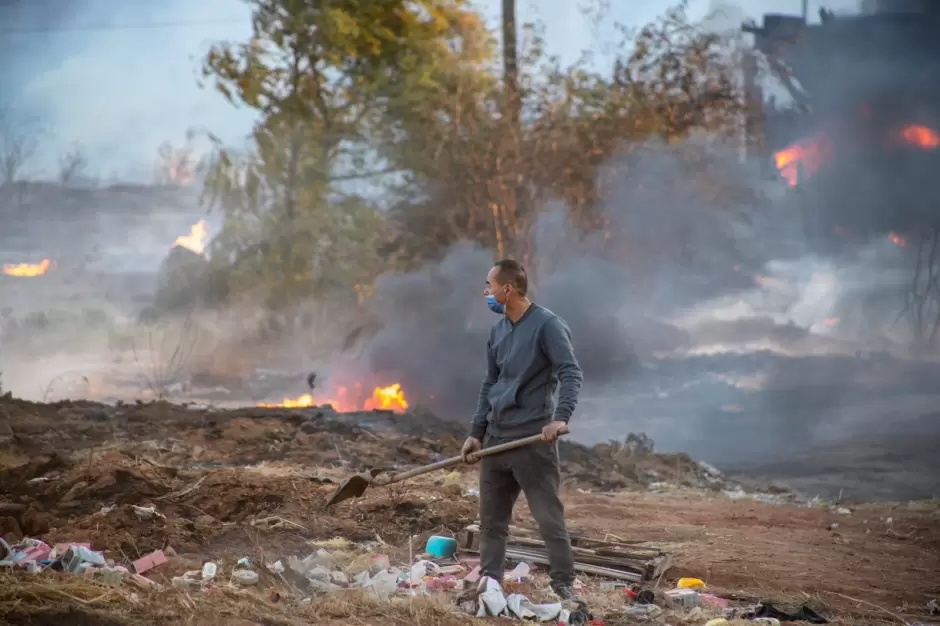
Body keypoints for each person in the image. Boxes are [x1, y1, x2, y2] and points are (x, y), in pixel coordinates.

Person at [461, 258, 584, 603]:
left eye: (489, 285)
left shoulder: (547, 325)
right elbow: (490, 382)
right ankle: (490, 581)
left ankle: (563, 584)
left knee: (548, 519)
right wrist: (477, 431)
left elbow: (571, 372)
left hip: (532, 440)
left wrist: (560, 417)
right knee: (491, 522)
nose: (486, 292)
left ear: (507, 289)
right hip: (497, 440)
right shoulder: (497, 331)